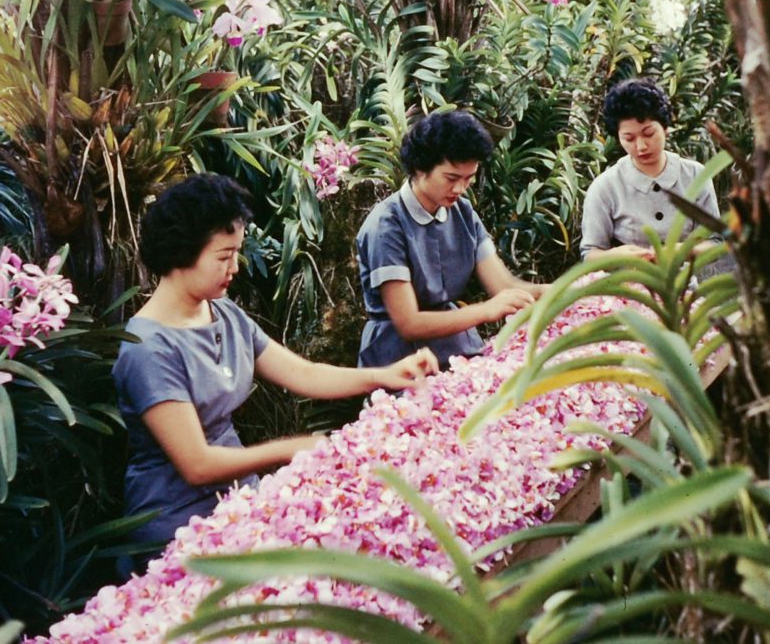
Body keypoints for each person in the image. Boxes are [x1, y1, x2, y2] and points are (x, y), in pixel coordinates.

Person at [113, 173, 437, 560]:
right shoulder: (148, 349)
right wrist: (289, 449)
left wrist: (382, 375)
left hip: (236, 499)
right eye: (223, 256)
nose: (235, 266)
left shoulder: (225, 314)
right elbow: (197, 464)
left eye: (236, 252)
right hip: (175, 522)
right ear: (181, 253)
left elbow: (302, 373)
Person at [356, 110, 547, 370]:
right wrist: (486, 310)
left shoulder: (463, 212)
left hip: (457, 347)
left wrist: (563, 291)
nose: (460, 189)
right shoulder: (386, 225)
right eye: (451, 178)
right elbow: (409, 324)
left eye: (469, 179)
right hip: (399, 359)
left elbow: (504, 285)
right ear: (420, 168)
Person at [580, 78, 720, 260]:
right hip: (623, 286)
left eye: (649, 134)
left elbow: (715, 242)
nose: (641, 146)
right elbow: (590, 253)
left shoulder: (695, 175)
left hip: (682, 285)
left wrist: (682, 250)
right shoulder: (605, 187)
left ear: (665, 127)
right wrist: (616, 256)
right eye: (629, 138)